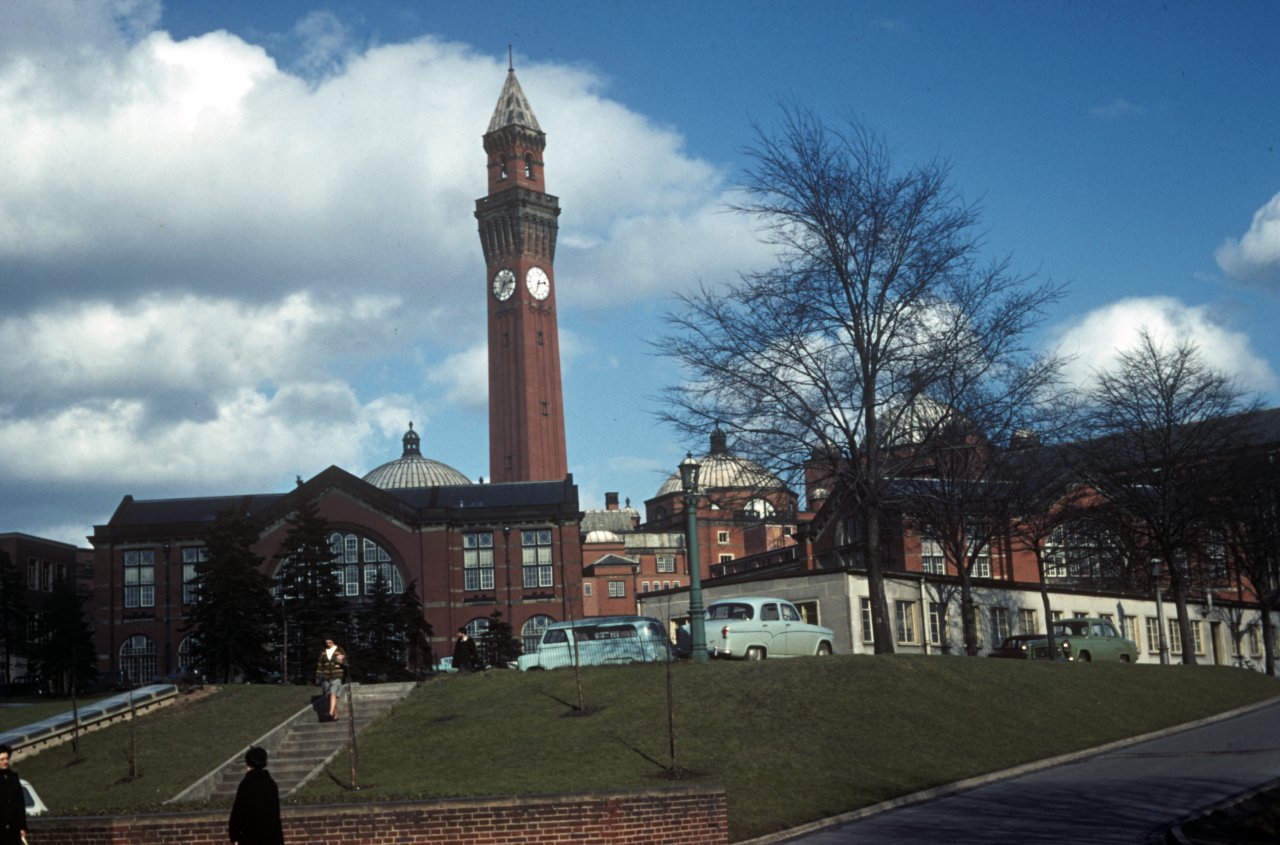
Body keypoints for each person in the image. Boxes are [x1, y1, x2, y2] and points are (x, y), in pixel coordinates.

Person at [227, 746, 284, 845]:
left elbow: (238, 812)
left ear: (248, 764)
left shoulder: (246, 784)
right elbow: (275, 814)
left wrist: (234, 835)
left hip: (250, 836)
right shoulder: (271, 784)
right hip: (271, 837)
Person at [314, 637, 346, 721]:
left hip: (337, 675)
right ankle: (336, 714)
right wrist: (317, 676)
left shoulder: (340, 650)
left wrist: (340, 660)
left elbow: (344, 662)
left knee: (333, 692)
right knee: (328, 696)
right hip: (326, 676)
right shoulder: (323, 652)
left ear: (333, 641)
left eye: (330, 642)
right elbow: (320, 665)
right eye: (326, 643)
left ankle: (330, 713)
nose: (328, 644)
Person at [0, 745, 26, 845]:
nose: (5, 762)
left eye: (6, 759)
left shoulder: (13, 778)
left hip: (14, 827)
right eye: (2, 759)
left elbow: (20, 804)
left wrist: (22, 827)